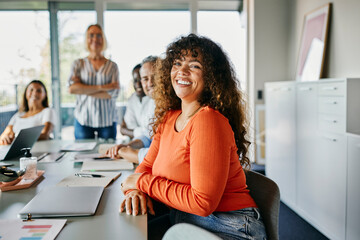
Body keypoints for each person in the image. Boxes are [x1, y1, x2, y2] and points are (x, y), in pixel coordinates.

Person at [119, 34, 267, 240]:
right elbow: (146, 166)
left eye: (195, 65)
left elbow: (202, 202)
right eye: (177, 63)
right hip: (185, 219)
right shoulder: (169, 118)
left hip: (229, 227)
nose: (182, 71)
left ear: (211, 76)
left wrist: (141, 183)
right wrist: (135, 192)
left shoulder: (209, 121)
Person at [68, 24, 120, 140]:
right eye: (91, 35)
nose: (95, 39)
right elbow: (72, 89)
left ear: (103, 39)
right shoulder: (78, 64)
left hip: (107, 120)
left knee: (108, 155)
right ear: (86, 39)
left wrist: (83, 89)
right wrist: (104, 87)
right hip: (83, 119)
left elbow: (114, 93)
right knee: (83, 155)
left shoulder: (112, 66)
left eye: (99, 35)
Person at [106, 56, 158, 163]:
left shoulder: (172, 106)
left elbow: (160, 156)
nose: (150, 83)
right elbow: (148, 136)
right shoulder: (144, 100)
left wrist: (125, 152)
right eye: (145, 78)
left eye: (155, 76)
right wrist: (127, 146)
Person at [0, 80, 56, 145]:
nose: (35, 93)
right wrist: (5, 139)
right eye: (31, 90)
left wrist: (16, 139)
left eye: (39, 91)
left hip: (37, 153)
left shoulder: (48, 111)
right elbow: (3, 136)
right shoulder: (17, 115)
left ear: (45, 95)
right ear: (26, 93)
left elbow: (45, 135)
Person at [120, 64, 145, 139]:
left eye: (141, 79)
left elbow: (150, 133)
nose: (138, 84)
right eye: (135, 80)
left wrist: (129, 132)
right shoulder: (132, 99)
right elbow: (126, 127)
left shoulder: (155, 99)